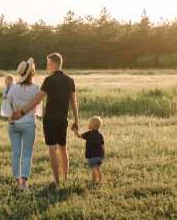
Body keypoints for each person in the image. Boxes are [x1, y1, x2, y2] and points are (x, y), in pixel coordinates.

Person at [11, 53, 79, 187]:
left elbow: (37, 99)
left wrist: (22, 111)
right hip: (62, 119)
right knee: (63, 148)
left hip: (50, 120)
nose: (47, 65)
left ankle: (57, 182)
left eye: (48, 63)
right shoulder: (70, 80)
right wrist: (76, 121)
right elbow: (73, 103)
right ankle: (65, 179)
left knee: (52, 149)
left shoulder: (49, 80)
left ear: (53, 63)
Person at [6, 58, 41, 190]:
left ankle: (17, 180)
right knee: (27, 153)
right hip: (29, 124)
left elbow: (7, 106)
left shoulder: (13, 88)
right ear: (32, 72)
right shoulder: (37, 88)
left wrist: (11, 118)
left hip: (14, 124)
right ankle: (24, 183)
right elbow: (38, 109)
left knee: (15, 153)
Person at [73, 116, 105, 184]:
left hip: (92, 155)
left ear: (91, 125)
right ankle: (100, 181)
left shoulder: (89, 134)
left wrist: (75, 130)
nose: (88, 124)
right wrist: (103, 155)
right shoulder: (100, 135)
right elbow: (102, 146)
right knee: (98, 168)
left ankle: (94, 181)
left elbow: (79, 136)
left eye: (89, 123)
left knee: (94, 169)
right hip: (100, 155)